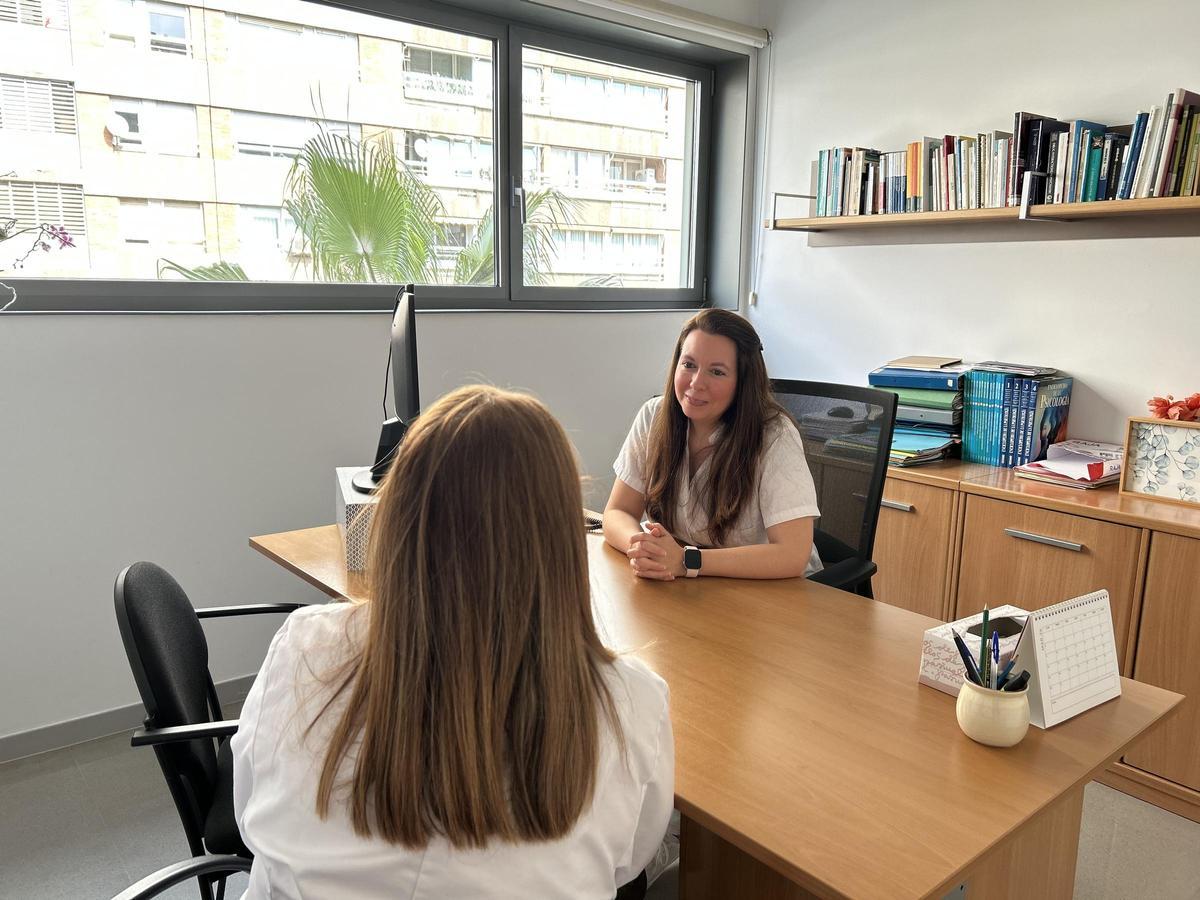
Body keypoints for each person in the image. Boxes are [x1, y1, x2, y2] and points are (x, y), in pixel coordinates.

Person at [232, 385, 673, 899]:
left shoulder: (305, 648)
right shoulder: (630, 704)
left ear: (397, 518)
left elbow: (250, 813)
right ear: (560, 539)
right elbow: (629, 862)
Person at [603, 309, 821, 580]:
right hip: (693, 586)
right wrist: (644, 548)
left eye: (716, 372)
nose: (696, 383)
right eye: (689, 365)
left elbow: (792, 554)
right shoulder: (654, 416)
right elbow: (618, 512)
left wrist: (686, 561)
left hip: (773, 594)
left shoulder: (775, 436)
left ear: (742, 383)